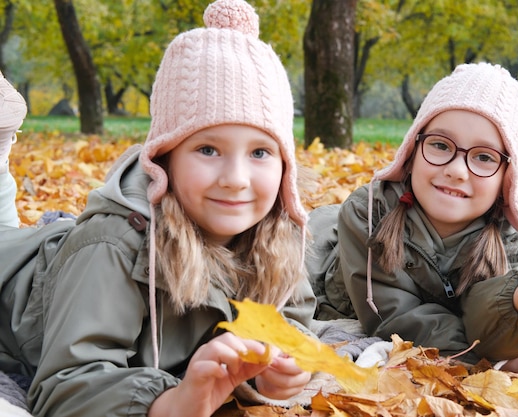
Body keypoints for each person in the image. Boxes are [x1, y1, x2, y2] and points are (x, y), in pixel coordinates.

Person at [0, 0, 316, 416]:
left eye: (260, 152)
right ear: (164, 159)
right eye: (208, 149)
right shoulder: (113, 244)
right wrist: (168, 402)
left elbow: (290, 318)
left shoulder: (276, 231)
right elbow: (67, 385)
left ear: (284, 166)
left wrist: (277, 365)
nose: (236, 178)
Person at [306, 62, 518, 374]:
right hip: (329, 260)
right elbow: (392, 317)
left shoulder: (513, 231)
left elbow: (488, 321)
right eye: (441, 145)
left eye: (484, 157)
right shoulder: (368, 214)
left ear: (506, 177)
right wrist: (502, 363)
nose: (456, 171)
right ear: (412, 151)